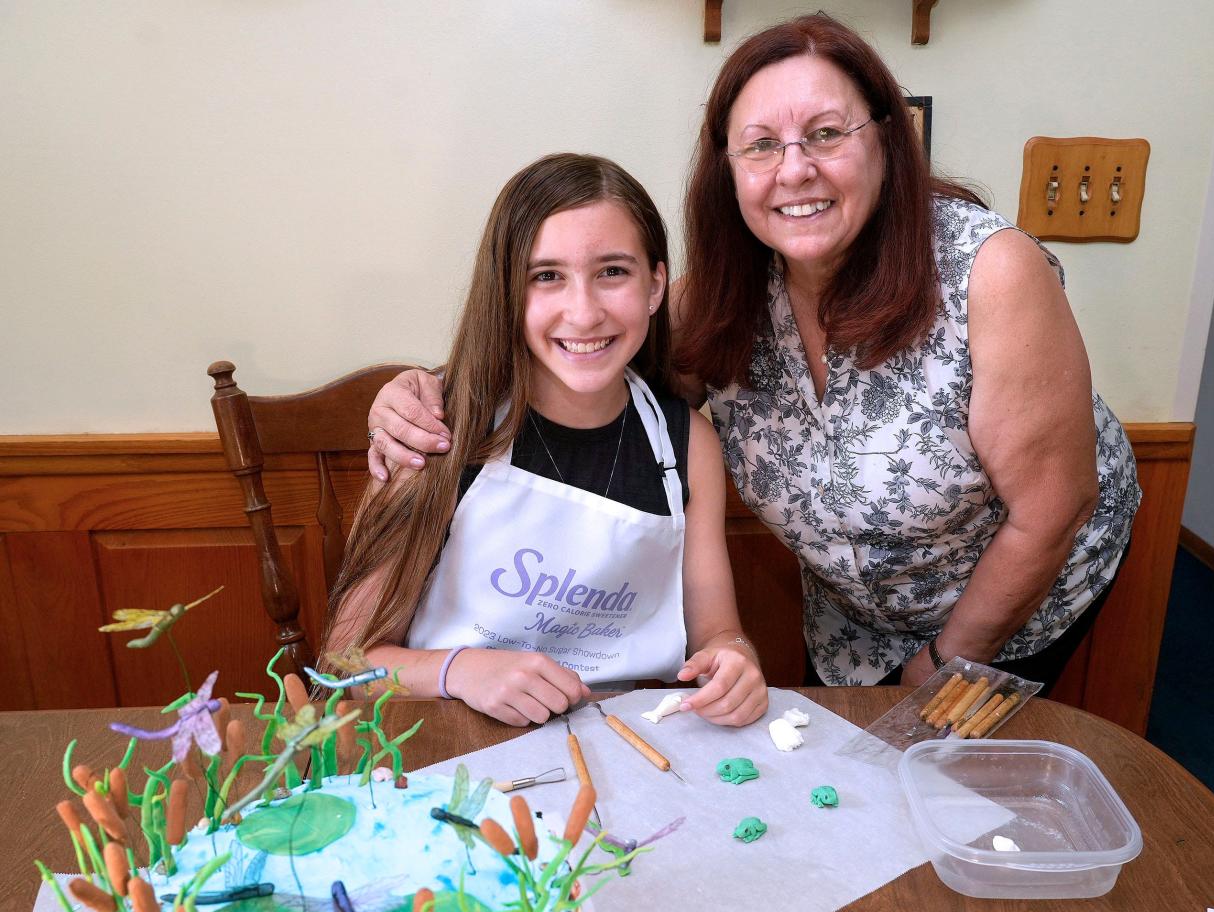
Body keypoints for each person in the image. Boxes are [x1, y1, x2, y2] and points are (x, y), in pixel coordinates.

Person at [362, 15, 1140, 689]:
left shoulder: (991, 272)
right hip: (849, 618)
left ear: (887, 141)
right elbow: (576, 361)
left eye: (827, 134)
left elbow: (1051, 509)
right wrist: (420, 396)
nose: (795, 168)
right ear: (728, 170)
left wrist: (934, 671)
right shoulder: (720, 296)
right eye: (761, 144)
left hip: (1019, 596)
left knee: (960, 799)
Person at [323, 153, 766, 726]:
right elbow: (343, 661)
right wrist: (460, 669)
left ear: (655, 286)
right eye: (547, 276)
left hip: (622, 743)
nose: (583, 313)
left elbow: (720, 635)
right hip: (447, 738)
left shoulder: (688, 445)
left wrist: (736, 662)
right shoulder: (432, 431)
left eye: (613, 271)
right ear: (508, 292)